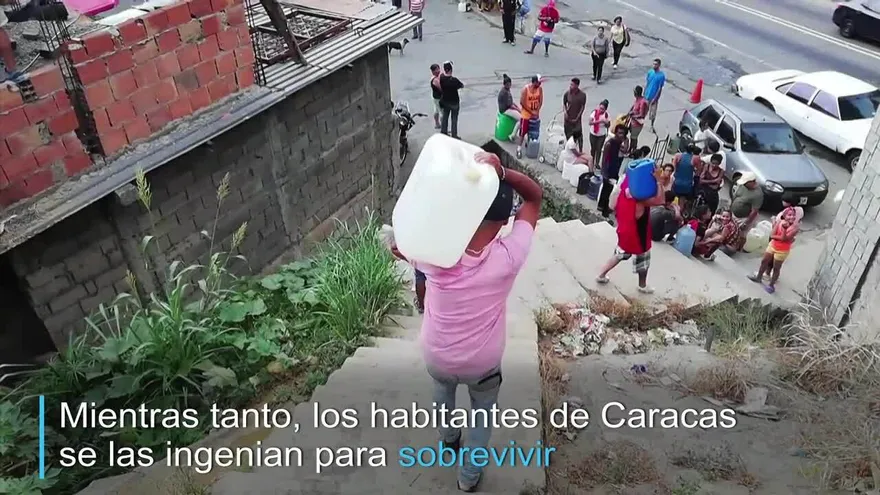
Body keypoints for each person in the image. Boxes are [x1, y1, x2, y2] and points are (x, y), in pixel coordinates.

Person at [390, 151, 542, 493]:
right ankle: (468, 479)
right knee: (482, 415)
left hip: (437, 355)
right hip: (483, 363)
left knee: (442, 393)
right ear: (505, 223)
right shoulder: (509, 255)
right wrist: (504, 172)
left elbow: (399, 244)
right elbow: (534, 197)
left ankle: (447, 440)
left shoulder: (433, 254)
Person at [596, 171, 666, 294]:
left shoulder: (624, 189)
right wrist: (659, 181)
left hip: (625, 230)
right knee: (643, 261)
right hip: (638, 235)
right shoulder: (640, 198)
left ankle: (601, 274)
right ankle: (642, 285)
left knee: (620, 254)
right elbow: (660, 200)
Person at [748, 204, 801, 293]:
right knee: (764, 261)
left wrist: (784, 230)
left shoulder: (795, 228)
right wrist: (779, 236)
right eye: (789, 215)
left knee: (776, 268)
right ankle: (759, 277)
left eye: (793, 215)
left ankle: (771, 285)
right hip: (773, 245)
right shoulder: (779, 222)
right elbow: (772, 235)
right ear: (784, 216)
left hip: (782, 250)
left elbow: (784, 238)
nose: (791, 217)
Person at [728, 171, 764, 252]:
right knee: (731, 229)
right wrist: (730, 209)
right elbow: (735, 196)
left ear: (752, 182)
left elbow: (754, 211)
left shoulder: (757, 194)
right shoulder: (742, 185)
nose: (744, 184)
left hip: (744, 217)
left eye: (746, 183)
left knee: (742, 234)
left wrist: (746, 223)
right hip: (734, 213)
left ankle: (738, 248)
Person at [597, 125, 627, 218]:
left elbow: (625, 151)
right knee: (607, 191)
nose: (621, 135)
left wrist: (626, 142)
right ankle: (604, 210)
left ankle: (601, 206)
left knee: (608, 190)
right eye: (619, 132)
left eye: (623, 133)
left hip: (615, 169)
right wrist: (604, 172)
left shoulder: (619, 143)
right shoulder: (609, 143)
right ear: (616, 133)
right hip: (608, 170)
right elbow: (604, 159)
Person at [517, 74, 543, 157]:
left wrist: (537, 111)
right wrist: (531, 112)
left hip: (535, 114)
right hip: (526, 115)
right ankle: (519, 148)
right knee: (522, 132)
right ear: (534, 82)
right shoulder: (526, 89)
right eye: (538, 83)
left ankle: (529, 144)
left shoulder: (540, 89)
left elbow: (540, 101)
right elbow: (522, 102)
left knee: (533, 133)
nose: (540, 84)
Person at [439, 61, 463, 139]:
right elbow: (461, 85)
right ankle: (454, 135)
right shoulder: (454, 80)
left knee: (445, 117)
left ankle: (443, 132)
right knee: (454, 119)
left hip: (445, 101)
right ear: (450, 70)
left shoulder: (442, 78)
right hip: (454, 102)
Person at [562, 77, 587, 153]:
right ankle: (570, 150)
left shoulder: (582, 95)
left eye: (572, 85)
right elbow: (564, 103)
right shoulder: (567, 93)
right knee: (568, 136)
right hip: (568, 119)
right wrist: (565, 112)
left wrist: (578, 117)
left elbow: (582, 107)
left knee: (579, 136)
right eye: (570, 84)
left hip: (576, 120)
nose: (570, 86)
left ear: (577, 85)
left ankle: (580, 150)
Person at [671, 144, 699, 209]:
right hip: (687, 184)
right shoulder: (696, 158)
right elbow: (698, 172)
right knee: (682, 201)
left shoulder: (678, 156)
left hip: (676, 182)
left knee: (672, 199)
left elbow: (673, 168)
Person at [644, 58, 666, 131]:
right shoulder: (650, 72)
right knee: (644, 109)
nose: (654, 65)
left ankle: (652, 125)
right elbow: (647, 83)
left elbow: (660, 88)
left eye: (656, 64)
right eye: (653, 64)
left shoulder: (661, 76)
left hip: (654, 96)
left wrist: (656, 98)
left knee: (653, 112)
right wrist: (644, 92)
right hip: (647, 95)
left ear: (659, 65)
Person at [497, 74, 522, 140]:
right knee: (522, 119)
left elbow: (511, 102)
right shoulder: (504, 92)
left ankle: (516, 132)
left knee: (520, 114)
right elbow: (510, 105)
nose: (509, 85)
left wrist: (517, 107)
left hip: (508, 107)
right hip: (505, 110)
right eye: (507, 84)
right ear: (504, 84)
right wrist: (518, 110)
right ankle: (512, 135)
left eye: (509, 84)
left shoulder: (507, 90)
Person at [587, 99, 610, 167]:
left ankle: (597, 163)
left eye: (602, 109)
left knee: (599, 149)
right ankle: (592, 161)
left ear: (605, 109)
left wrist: (606, 122)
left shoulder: (606, 115)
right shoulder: (594, 113)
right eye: (600, 108)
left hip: (601, 135)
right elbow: (590, 123)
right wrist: (599, 121)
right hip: (593, 134)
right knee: (593, 149)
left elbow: (608, 125)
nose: (600, 110)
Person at [627, 85, 649, 149]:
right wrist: (629, 112)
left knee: (634, 138)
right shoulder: (637, 99)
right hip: (633, 122)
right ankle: (631, 149)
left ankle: (633, 149)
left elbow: (641, 114)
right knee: (632, 137)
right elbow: (633, 107)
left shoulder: (642, 102)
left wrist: (633, 116)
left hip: (637, 124)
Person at [430, 63, 442, 130]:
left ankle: (437, 124)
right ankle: (443, 126)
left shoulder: (435, 78)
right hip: (438, 98)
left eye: (439, 68)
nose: (439, 70)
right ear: (433, 71)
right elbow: (441, 88)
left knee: (436, 110)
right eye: (437, 69)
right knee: (441, 112)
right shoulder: (435, 80)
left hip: (434, 97)